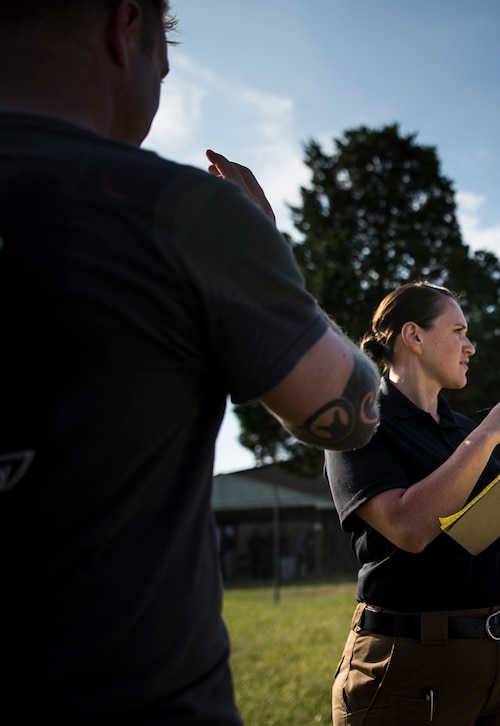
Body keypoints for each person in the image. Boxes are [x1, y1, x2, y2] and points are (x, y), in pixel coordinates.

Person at [0, 1, 382, 723]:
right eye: (163, 68)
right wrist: (266, 251)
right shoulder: (182, 214)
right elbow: (350, 415)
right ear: (125, 28)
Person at [324, 281, 500, 725]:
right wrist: (485, 437)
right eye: (458, 331)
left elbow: (495, 549)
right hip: (412, 671)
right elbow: (409, 528)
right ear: (413, 336)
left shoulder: (462, 431)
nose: (470, 346)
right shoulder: (357, 424)